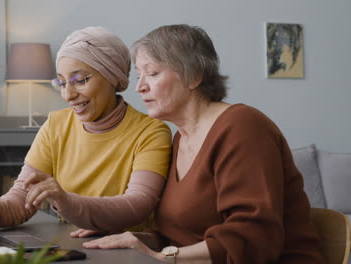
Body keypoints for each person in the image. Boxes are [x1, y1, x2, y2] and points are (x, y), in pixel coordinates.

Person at [83, 24, 325, 263]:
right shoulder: (180, 138)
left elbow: (253, 237)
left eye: (153, 73)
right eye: (139, 75)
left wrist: (165, 257)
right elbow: (181, 235)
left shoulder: (243, 127)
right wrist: (130, 239)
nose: (139, 87)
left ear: (194, 76)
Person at [0, 27, 172, 235]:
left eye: (81, 80)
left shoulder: (151, 133)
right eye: (62, 82)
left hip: (127, 251)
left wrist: (66, 201)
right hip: (72, 245)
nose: (68, 94)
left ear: (112, 76)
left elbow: (137, 206)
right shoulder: (55, 125)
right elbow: (21, 201)